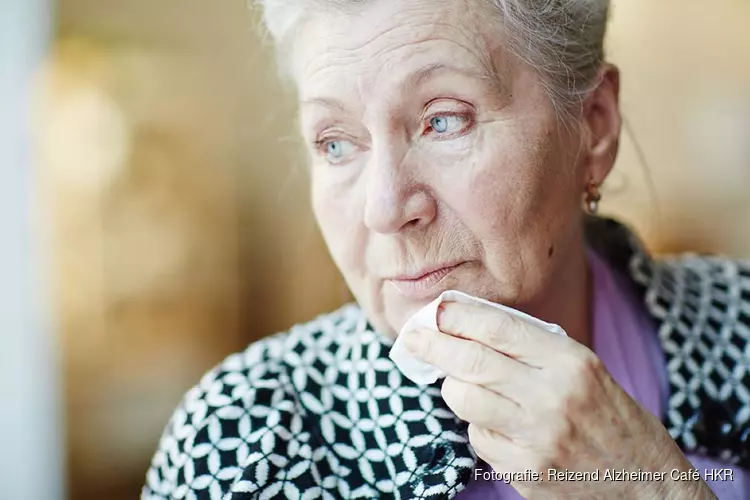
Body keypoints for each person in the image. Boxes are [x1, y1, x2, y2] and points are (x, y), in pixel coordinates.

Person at [142, 0, 750, 498]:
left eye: (444, 120)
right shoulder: (244, 439)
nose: (385, 209)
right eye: (334, 143)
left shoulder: (739, 326)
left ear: (593, 124)